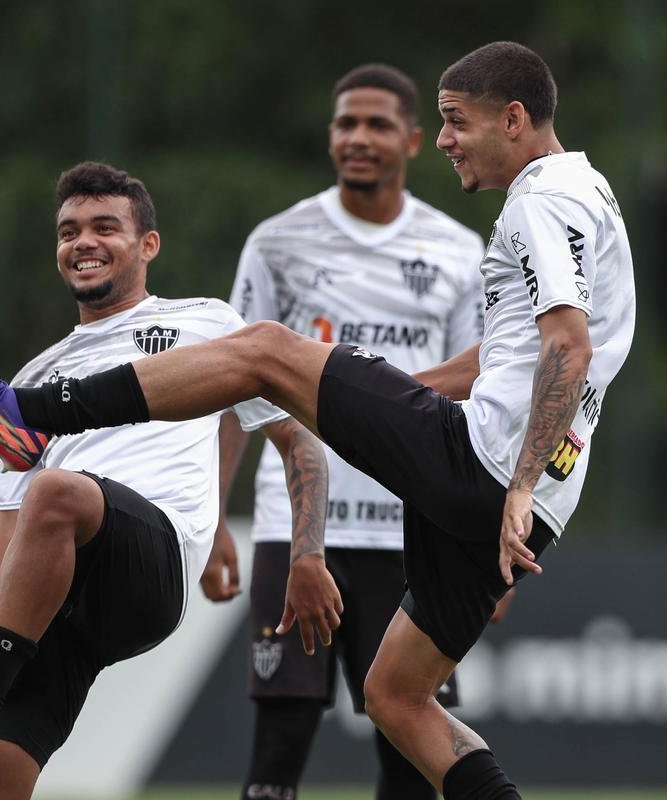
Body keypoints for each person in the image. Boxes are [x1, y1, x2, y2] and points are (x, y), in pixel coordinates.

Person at [0, 41, 636, 800]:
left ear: (513, 119)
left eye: (455, 121)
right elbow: (510, 355)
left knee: (261, 348)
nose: (446, 139)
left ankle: (21, 411)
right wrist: (380, 397)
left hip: (489, 467)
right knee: (397, 699)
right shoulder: (588, 190)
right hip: (538, 497)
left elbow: (566, 344)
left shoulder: (540, 199)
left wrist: (512, 480)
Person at [0, 161, 335, 800]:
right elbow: (7, 519)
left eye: (104, 227)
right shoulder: (39, 377)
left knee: (57, 491)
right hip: (54, 590)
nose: (82, 242)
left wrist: (306, 553)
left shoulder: (208, 322)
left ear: (149, 245)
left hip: (151, 565)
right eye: (68, 231)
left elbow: (295, 436)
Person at [200, 62, 485, 800]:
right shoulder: (277, 242)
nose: (359, 138)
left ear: (415, 140)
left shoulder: (457, 251)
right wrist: (210, 517)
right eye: (346, 123)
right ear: (331, 136)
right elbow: (236, 383)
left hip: (415, 535)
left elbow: (480, 390)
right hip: (297, 529)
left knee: (411, 751)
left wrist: (482, 534)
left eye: (378, 124)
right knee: (279, 743)